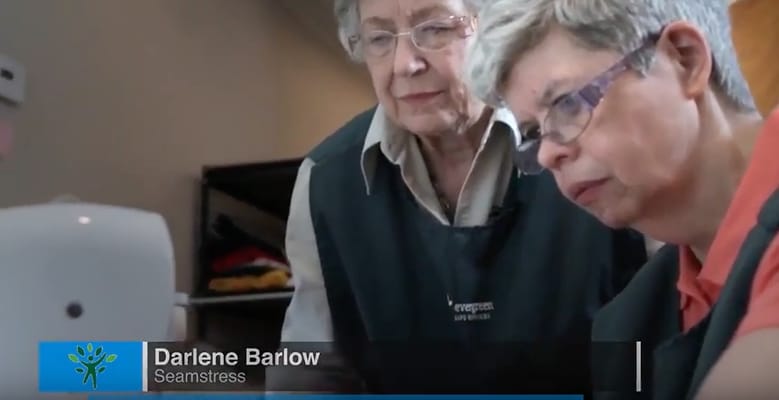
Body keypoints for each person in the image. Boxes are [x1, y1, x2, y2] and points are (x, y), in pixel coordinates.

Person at [265, 0, 648, 394]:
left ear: (496, 27)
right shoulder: (326, 180)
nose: (404, 65)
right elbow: (311, 372)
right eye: (379, 38)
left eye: (435, 29)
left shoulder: (586, 137)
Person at [465, 0, 779, 399]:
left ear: (685, 60)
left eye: (568, 104)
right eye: (533, 132)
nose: (546, 155)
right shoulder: (626, 325)